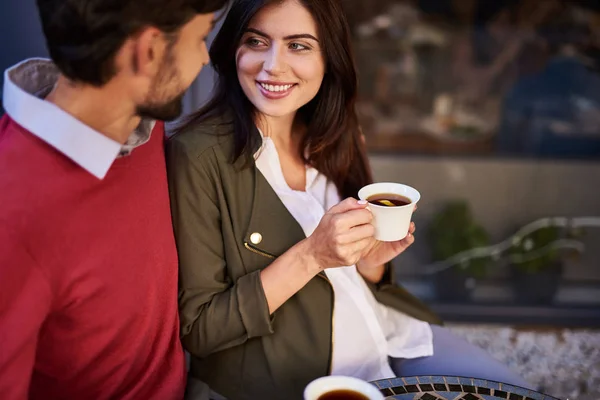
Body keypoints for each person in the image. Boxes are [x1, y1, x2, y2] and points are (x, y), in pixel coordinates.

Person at [166, 0, 533, 399]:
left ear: (330, 57)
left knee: (517, 392)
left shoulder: (335, 133)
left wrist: (370, 266)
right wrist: (311, 255)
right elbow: (199, 330)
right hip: (305, 374)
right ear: (233, 47)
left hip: (388, 333)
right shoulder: (198, 156)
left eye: (299, 46)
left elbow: (355, 276)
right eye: (257, 41)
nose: (273, 65)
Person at [0, 0, 227, 399]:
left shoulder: (139, 122)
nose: (205, 59)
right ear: (151, 51)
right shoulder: (15, 219)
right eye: (202, 38)